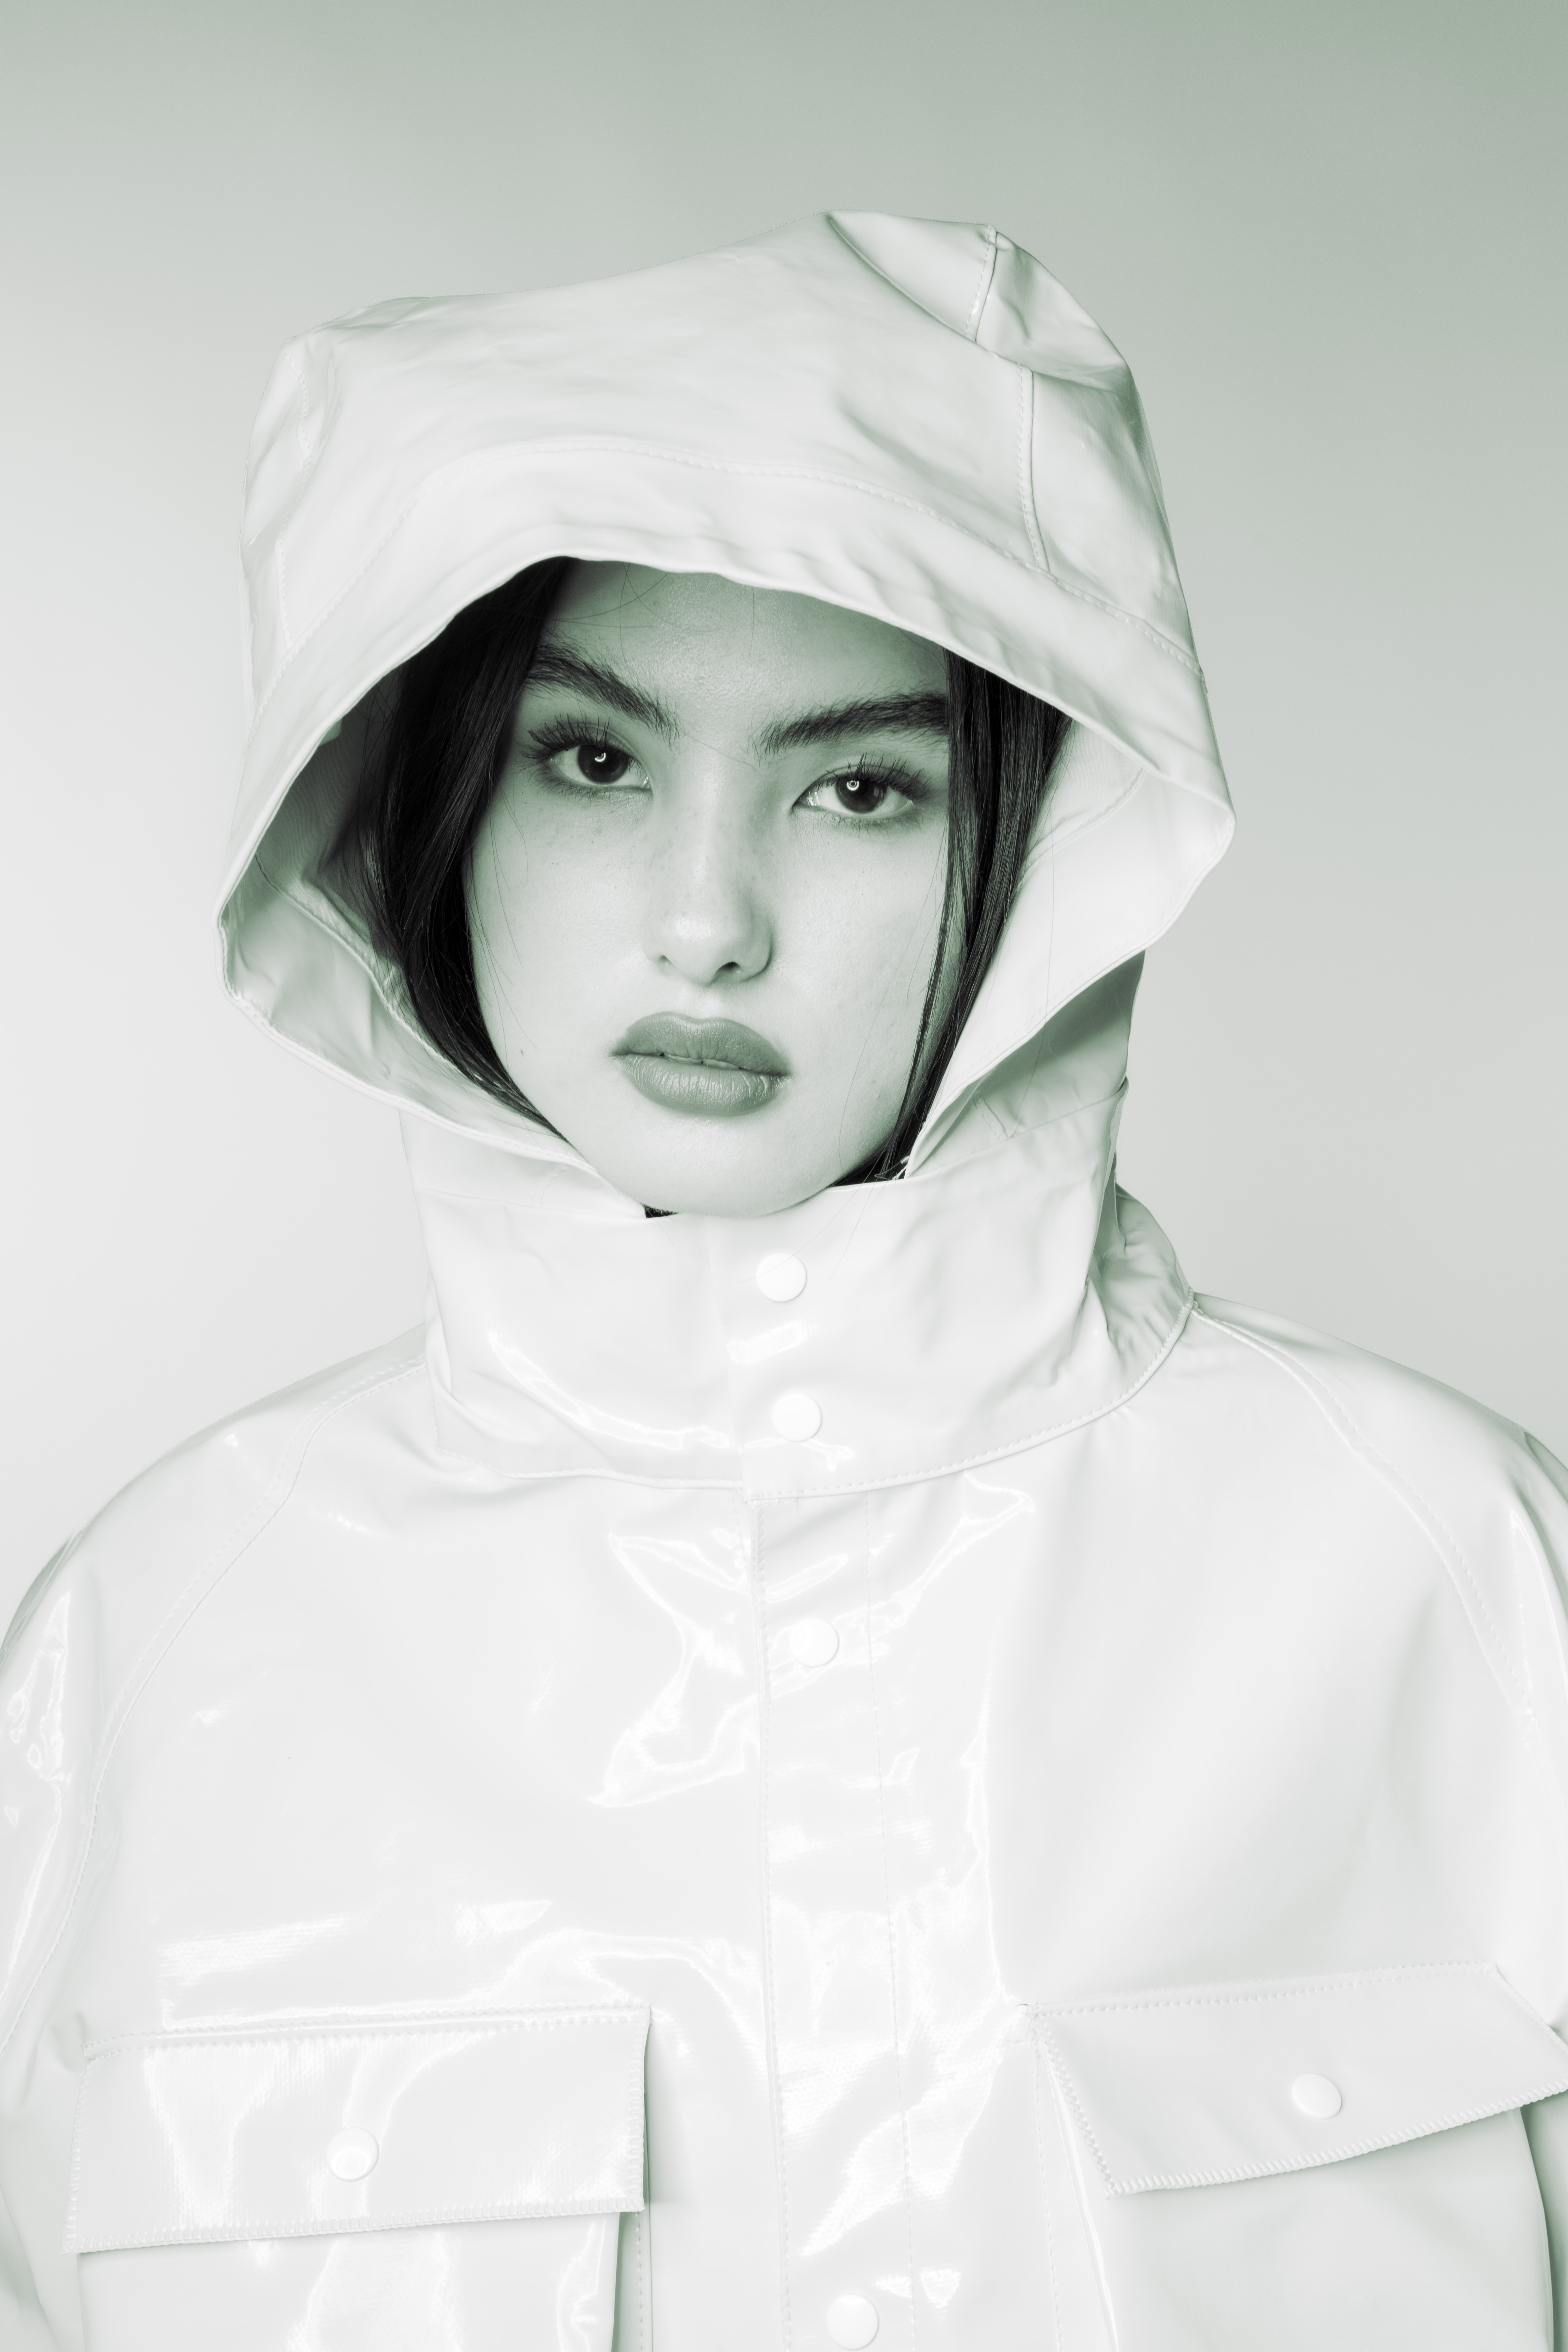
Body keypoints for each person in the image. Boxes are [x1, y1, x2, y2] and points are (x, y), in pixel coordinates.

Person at [2, 211, 1566, 2352]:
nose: (708, 920)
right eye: (595, 759)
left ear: (1043, 842)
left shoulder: (1449, 1573)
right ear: (426, 805)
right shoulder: (153, 1644)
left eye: (859, 787)